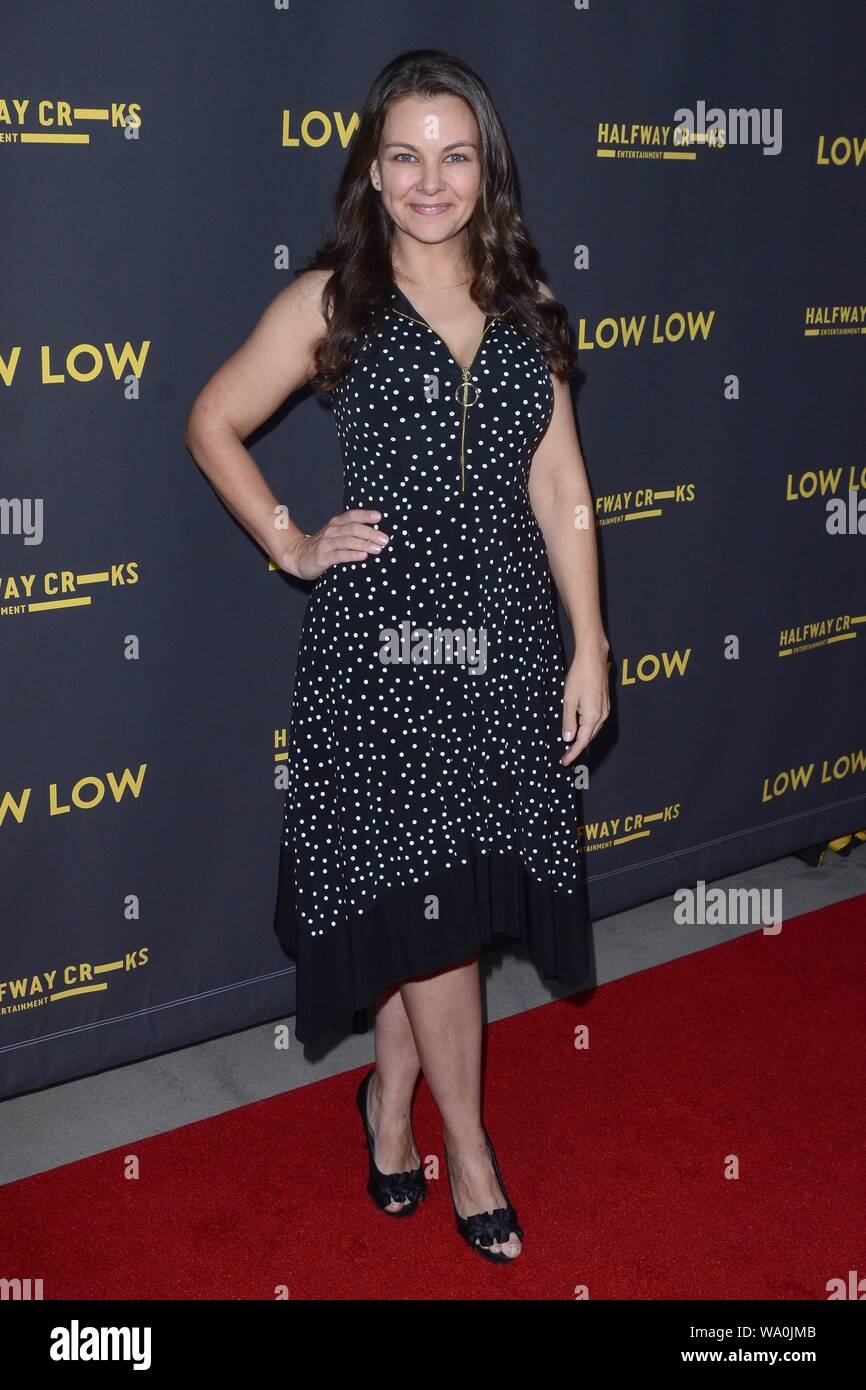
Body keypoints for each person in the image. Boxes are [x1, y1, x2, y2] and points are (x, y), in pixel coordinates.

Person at [185, 48, 610, 1265]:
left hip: (508, 647)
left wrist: (590, 641)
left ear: (488, 168)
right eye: (405, 155)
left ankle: (385, 1103)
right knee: (424, 915)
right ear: (373, 171)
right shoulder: (335, 302)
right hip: (388, 656)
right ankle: (464, 1143)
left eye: (455, 154)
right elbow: (211, 421)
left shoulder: (527, 303)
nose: (432, 179)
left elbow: (561, 480)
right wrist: (293, 543)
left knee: (439, 906)